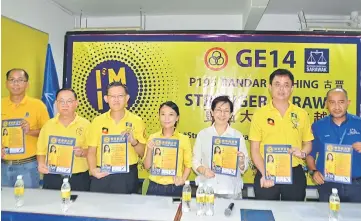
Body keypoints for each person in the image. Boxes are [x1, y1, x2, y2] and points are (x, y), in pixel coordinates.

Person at [249, 69, 314, 201]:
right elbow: (254, 150)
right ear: (270, 87)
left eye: (286, 85)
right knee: (265, 213)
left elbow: (308, 142)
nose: (281, 89)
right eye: (277, 84)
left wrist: (302, 153)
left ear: (292, 88)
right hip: (266, 170)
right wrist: (265, 173)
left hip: (294, 171)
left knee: (294, 214)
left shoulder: (302, 114)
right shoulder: (259, 114)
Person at [87, 81, 147, 194]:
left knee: (126, 210)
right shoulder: (97, 121)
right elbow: (91, 151)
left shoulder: (137, 121)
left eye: (120, 96)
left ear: (127, 98)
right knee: (99, 209)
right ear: (106, 99)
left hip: (127, 176)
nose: (116, 99)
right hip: (103, 174)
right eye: (112, 96)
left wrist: (134, 142)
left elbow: (143, 153)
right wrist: (93, 170)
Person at [306, 88, 361, 202]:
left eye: (341, 102)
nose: (337, 107)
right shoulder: (318, 126)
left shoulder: (359, 123)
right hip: (328, 185)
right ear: (326, 104)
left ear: (348, 103)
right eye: (332, 102)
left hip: (356, 186)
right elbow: (310, 154)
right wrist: (313, 171)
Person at [192, 96, 249, 199]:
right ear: (212, 112)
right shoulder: (203, 134)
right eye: (219, 110)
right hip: (207, 189)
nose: (222, 114)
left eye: (226, 111)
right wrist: (204, 170)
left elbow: (244, 167)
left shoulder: (237, 136)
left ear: (231, 114)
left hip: (231, 190)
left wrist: (241, 161)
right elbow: (195, 161)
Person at [1, 68, 49, 188]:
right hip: (3, 165)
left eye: (20, 80)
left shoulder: (38, 105)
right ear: (6, 83)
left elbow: (47, 133)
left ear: (27, 84)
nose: (16, 83)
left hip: (28, 166)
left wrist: (30, 131)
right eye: (12, 80)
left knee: (29, 203)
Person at [37, 88, 91, 191]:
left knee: (79, 206)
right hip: (52, 176)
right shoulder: (48, 125)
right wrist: (41, 163)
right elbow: (41, 151)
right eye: (61, 101)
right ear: (56, 103)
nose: (65, 104)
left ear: (76, 103)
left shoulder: (86, 125)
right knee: (51, 206)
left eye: (69, 101)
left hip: (78, 178)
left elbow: (93, 151)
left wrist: (83, 152)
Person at [144, 101, 192, 196]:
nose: (166, 118)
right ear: (159, 116)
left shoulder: (184, 139)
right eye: (163, 114)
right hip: (154, 186)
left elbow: (188, 164)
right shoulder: (153, 137)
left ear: (177, 118)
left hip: (175, 186)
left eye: (171, 114)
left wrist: (182, 180)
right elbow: (147, 166)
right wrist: (149, 149)